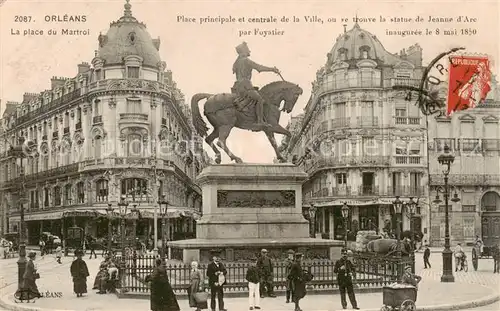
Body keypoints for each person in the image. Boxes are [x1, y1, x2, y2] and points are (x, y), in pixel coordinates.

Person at [232, 41, 280, 128]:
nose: (249, 51)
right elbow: (260, 68)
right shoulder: (246, 60)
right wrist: (273, 69)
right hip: (246, 85)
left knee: (254, 96)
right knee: (259, 99)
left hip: (238, 85)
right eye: (247, 50)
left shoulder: (237, 62)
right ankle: (260, 121)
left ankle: (242, 105)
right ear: (244, 51)